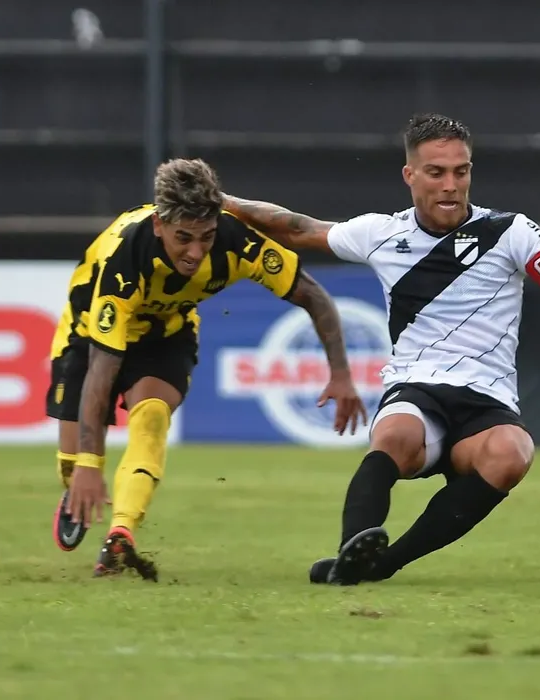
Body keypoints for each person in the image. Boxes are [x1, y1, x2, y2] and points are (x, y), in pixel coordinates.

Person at [221, 113, 540, 586]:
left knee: (513, 453)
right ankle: (354, 551)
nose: (451, 184)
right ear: (410, 175)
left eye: (461, 170)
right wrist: (220, 201)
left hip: (485, 400)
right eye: (436, 173)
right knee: (394, 436)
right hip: (417, 387)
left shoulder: (511, 232)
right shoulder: (381, 234)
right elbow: (296, 227)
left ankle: (384, 563)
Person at [47, 157, 367, 579]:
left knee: (152, 416)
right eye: (184, 238)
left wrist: (340, 374)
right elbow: (102, 370)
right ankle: (76, 480)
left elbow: (313, 296)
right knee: (74, 465)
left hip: (168, 331)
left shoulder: (236, 242)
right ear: (160, 225)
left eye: (206, 236)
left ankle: (120, 535)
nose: (196, 252)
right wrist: (89, 464)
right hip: (88, 333)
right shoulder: (125, 260)